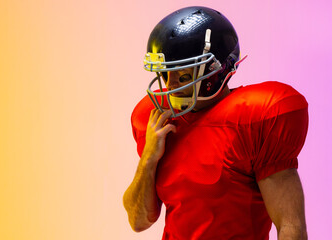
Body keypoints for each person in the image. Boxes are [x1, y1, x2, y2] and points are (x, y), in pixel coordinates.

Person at [123, 6, 308, 240]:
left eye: (183, 75)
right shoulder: (160, 122)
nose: (170, 86)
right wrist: (148, 159)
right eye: (166, 74)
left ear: (217, 70)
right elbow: (138, 221)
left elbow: (291, 227)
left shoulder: (254, 118)